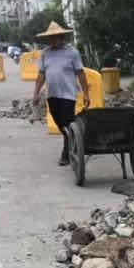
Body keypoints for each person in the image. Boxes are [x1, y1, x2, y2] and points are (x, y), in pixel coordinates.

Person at [31, 21, 89, 166]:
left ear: (62, 37)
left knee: (67, 122)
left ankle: (67, 154)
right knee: (60, 123)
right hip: (52, 95)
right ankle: (76, 140)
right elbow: (41, 74)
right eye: (51, 38)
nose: (53, 40)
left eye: (56, 37)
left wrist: (86, 93)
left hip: (68, 94)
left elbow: (80, 73)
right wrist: (36, 93)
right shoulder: (45, 53)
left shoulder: (72, 53)